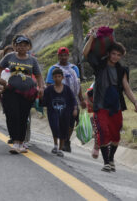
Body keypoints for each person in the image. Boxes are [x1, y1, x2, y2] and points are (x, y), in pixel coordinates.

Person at [83, 33, 137, 172]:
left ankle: (111, 158)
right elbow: (85, 53)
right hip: (100, 105)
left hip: (116, 106)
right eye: (113, 54)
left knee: (115, 135)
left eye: (119, 55)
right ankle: (106, 162)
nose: (115, 57)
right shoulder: (99, 65)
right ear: (108, 53)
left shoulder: (122, 70)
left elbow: (126, 87)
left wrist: (135, 102)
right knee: (102, 131)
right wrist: (92, 38)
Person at [0, 34, 44, 154]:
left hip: (27, 93)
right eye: (19, 45)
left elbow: (38, 76)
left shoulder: (32, 60)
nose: (22, 47)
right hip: (10, 91)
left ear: (28, 47)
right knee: (12, 115)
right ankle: (16, 142)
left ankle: (20, 143)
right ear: (15, 46)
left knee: (23, 117)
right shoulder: (9, 57)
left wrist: (41, 87)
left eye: (24, 45)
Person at [45, 47, 86, 152]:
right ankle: (59, 142)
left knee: (71, 122)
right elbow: (49, 84)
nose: (63, 57)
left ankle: (66, 141)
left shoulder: (74, 68)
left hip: (72, 99)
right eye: (61, 55)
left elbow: (77, 84)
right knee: (58, 121)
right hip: (58, 100)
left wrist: (81, 100)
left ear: (68, 56)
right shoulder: (53, 68)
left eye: (65, 55)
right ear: (58, 56)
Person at [42, 68, 78, 157]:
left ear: (62, 77)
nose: (57, 78)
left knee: (64, 130)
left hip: (65, 113)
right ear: (52, 78)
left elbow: (73, 100)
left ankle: (60, 149)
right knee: (55, 127)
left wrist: (75, 109)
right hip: (53, 113)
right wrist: (40, 96)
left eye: (59, 76)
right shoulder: (49, 89)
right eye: (55, 77)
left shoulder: (67, 89)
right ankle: (55, 145)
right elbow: (43, 102)